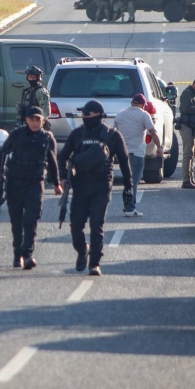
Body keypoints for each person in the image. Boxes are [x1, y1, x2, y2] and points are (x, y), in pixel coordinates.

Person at [58, 100, 133, 276]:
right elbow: (63, 157)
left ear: (97, 116)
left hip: (102, 184)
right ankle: (82, 249)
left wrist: (128, 188)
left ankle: (94, 263)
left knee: (96, 224)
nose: (84, 118)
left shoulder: (113, 135)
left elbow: (124, 162)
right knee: (76, 225)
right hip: (80, 184)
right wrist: (62, 177)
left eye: (87, 115)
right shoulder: (77, 134)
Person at [0, 106, 62, 269]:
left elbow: (53, 162)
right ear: (26, 120)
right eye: (31, 119)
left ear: (43, 121)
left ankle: (27, 254)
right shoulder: (17, 135)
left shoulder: (47, 138)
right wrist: (0, 173)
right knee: (16, 221)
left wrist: (56, 184)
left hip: (35, 182)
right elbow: (3, 152)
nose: (34, 123)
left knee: (31, 219)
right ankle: (17, 254)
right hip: (15, 182)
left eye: (37, 119)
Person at [113, 93, 163, 217]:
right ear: (143, 104)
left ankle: (127, 206)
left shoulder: (120, 114)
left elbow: (114, 134)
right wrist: (159, 148)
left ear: (132, 102)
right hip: (137, 152)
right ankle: (130, 207)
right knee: (134, 181)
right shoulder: (144, 115)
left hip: (123, 153)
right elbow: (153, 132)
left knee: (126, 180)